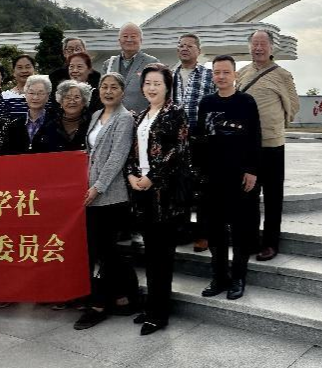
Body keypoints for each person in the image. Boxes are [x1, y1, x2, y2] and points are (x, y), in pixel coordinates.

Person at [126, 64, 189, 335]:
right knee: (150, 254)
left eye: (157, 84)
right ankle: (151, 306)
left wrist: (152, 176)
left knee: (162, 256)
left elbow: (178, 150)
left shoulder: (175, 113)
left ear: (167, 87)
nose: (151, 88)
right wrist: (132, 175)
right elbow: (132, 152)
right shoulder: (141, 115)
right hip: (141, 192)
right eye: (148, 83)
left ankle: (159, 314)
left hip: (164, 195)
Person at [73, 72, 139, 329]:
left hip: (111, 196)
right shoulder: (95, 115)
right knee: (100, 251)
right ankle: (123, 298)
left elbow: (117, 158)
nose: (108, 91)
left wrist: (98, 187)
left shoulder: (125, 118)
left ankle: (100, 305)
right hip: (90, 193)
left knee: (106, 251)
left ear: (122, 92)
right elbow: (90, 154)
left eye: (114, 87)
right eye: (104, 87)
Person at [195, 55, 261, 300]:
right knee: (215, 230)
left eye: (226, 72)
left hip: (240, 176)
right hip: (212, 177)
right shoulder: (206, 103)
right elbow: (201, 139)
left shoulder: (246, 102)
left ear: (235, 75)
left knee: (241, 229)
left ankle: (238, 278)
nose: (221, 76)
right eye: (216, 72)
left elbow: (255, 137)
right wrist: (199, 172)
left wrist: (252, 170)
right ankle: (219, 276)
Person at [235, 30, 299, 262]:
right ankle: (251, 241)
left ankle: (271, 244)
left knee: (272, 197)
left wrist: (273, 124)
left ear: (272, 48)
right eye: (255, 44)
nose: (258, 48)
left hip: (272, 146)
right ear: (249, 47)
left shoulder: (282, 75)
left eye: (263, 44)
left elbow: (293, 106)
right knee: (248, 195)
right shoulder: (242, 73)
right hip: (246, 146)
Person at [171, 33, 215, 252]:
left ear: (198, 50)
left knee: (203, 187)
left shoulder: (208, 75)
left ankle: (204, 234)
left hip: (201, 138)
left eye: (189, 46)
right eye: (181, 45)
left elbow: (216, 106)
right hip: (176, 139)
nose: (184, 49)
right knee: (181, 185)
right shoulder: (170, 75)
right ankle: (183, 230)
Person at [101, 23, 158, 115]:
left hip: (140, 117)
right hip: (112, 117)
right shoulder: (109, 64)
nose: (129, 39)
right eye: (125, 36)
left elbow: (157, 94)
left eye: (133, 36)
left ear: (141, 40)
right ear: (119, 41)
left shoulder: (152, 63)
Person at [31, 80, 92, 153]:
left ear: (84, 101)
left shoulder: (92, 123)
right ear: (61, 102)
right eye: (67, 97)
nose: (72, 101)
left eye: (77, 97)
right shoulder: (49, 124)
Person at [9, 75, 52, 151]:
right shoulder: (14, 125)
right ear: (25, 95)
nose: (35, 97)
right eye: (31, 93)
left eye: (40, 93)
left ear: (48, 96)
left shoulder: (55, 123)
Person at [0, 54, 36, 119]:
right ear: (13, 72)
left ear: (34, 70)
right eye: (20, 67)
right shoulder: (5, 96)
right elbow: (2, 122)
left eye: (28, 67)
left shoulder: (45, 94)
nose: (24, 71)